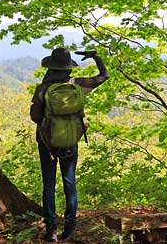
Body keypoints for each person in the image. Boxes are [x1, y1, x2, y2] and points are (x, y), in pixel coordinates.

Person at [30, 47, 109, 242]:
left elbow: (35, 117)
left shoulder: (43, 89)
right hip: (71, 141)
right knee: (69, 183)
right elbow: (104, 76)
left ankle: (51, 230)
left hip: (47, 142)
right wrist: (96, 57)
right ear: (68, 68)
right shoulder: (77, 85)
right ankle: (71, 223)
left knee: (48, 185)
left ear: (50, 67)